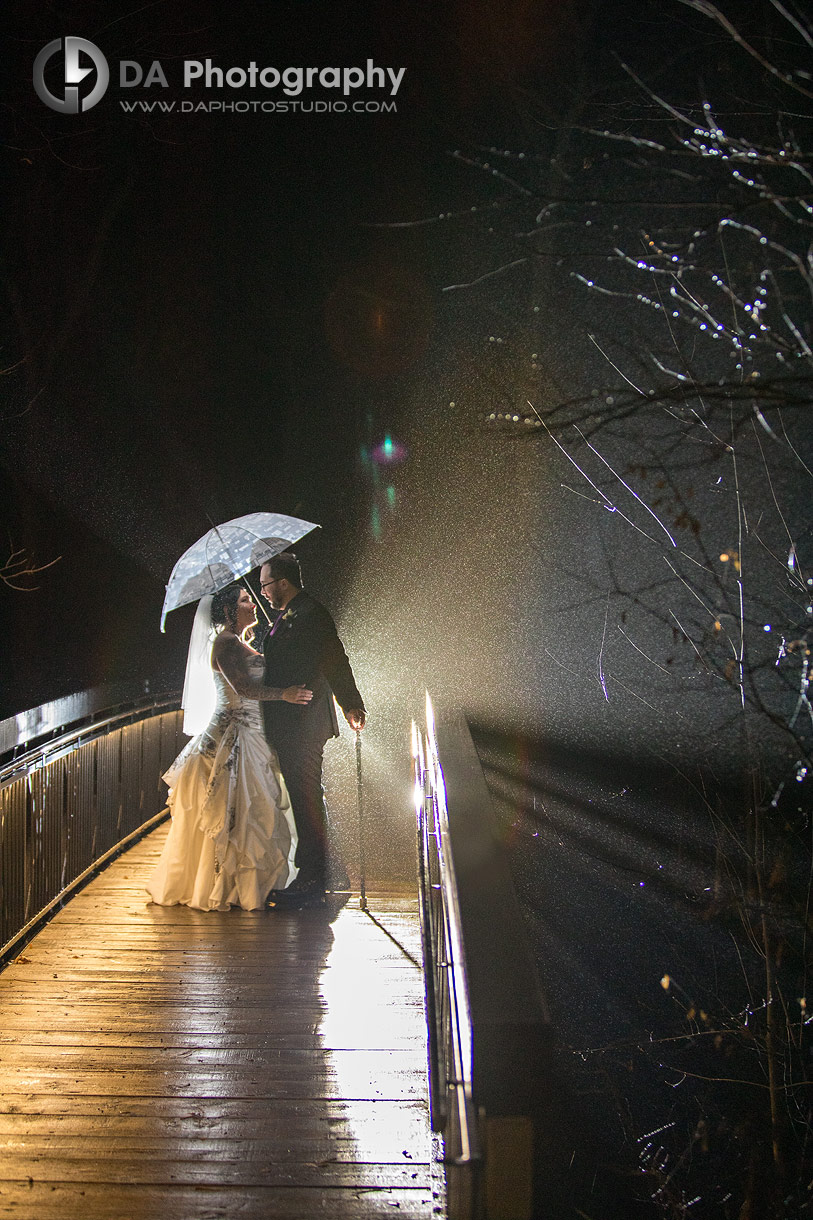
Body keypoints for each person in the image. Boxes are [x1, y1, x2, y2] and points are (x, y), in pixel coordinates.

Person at [147, 583, 313, 912]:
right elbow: (244, 687)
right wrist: (285, 694)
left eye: (250, 598)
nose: (252, 604)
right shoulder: (225, 643)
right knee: (237, 817)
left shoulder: (242, 642)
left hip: (254, 733)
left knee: (252, 814)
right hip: (233, 736)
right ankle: (230, 888)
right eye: (244, 601)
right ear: (228, 610)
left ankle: (248, 886)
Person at [260, 552, 366, 908]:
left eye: (265, 585)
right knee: (307, 796)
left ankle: (311, 877)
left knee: (306, 799)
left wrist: (351, 702)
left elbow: (335, 658)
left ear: (283, 583)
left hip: (303, 722)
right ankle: (328, 869)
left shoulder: (312, 614)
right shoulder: (286, 617)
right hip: (290, 724)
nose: (263, 592)